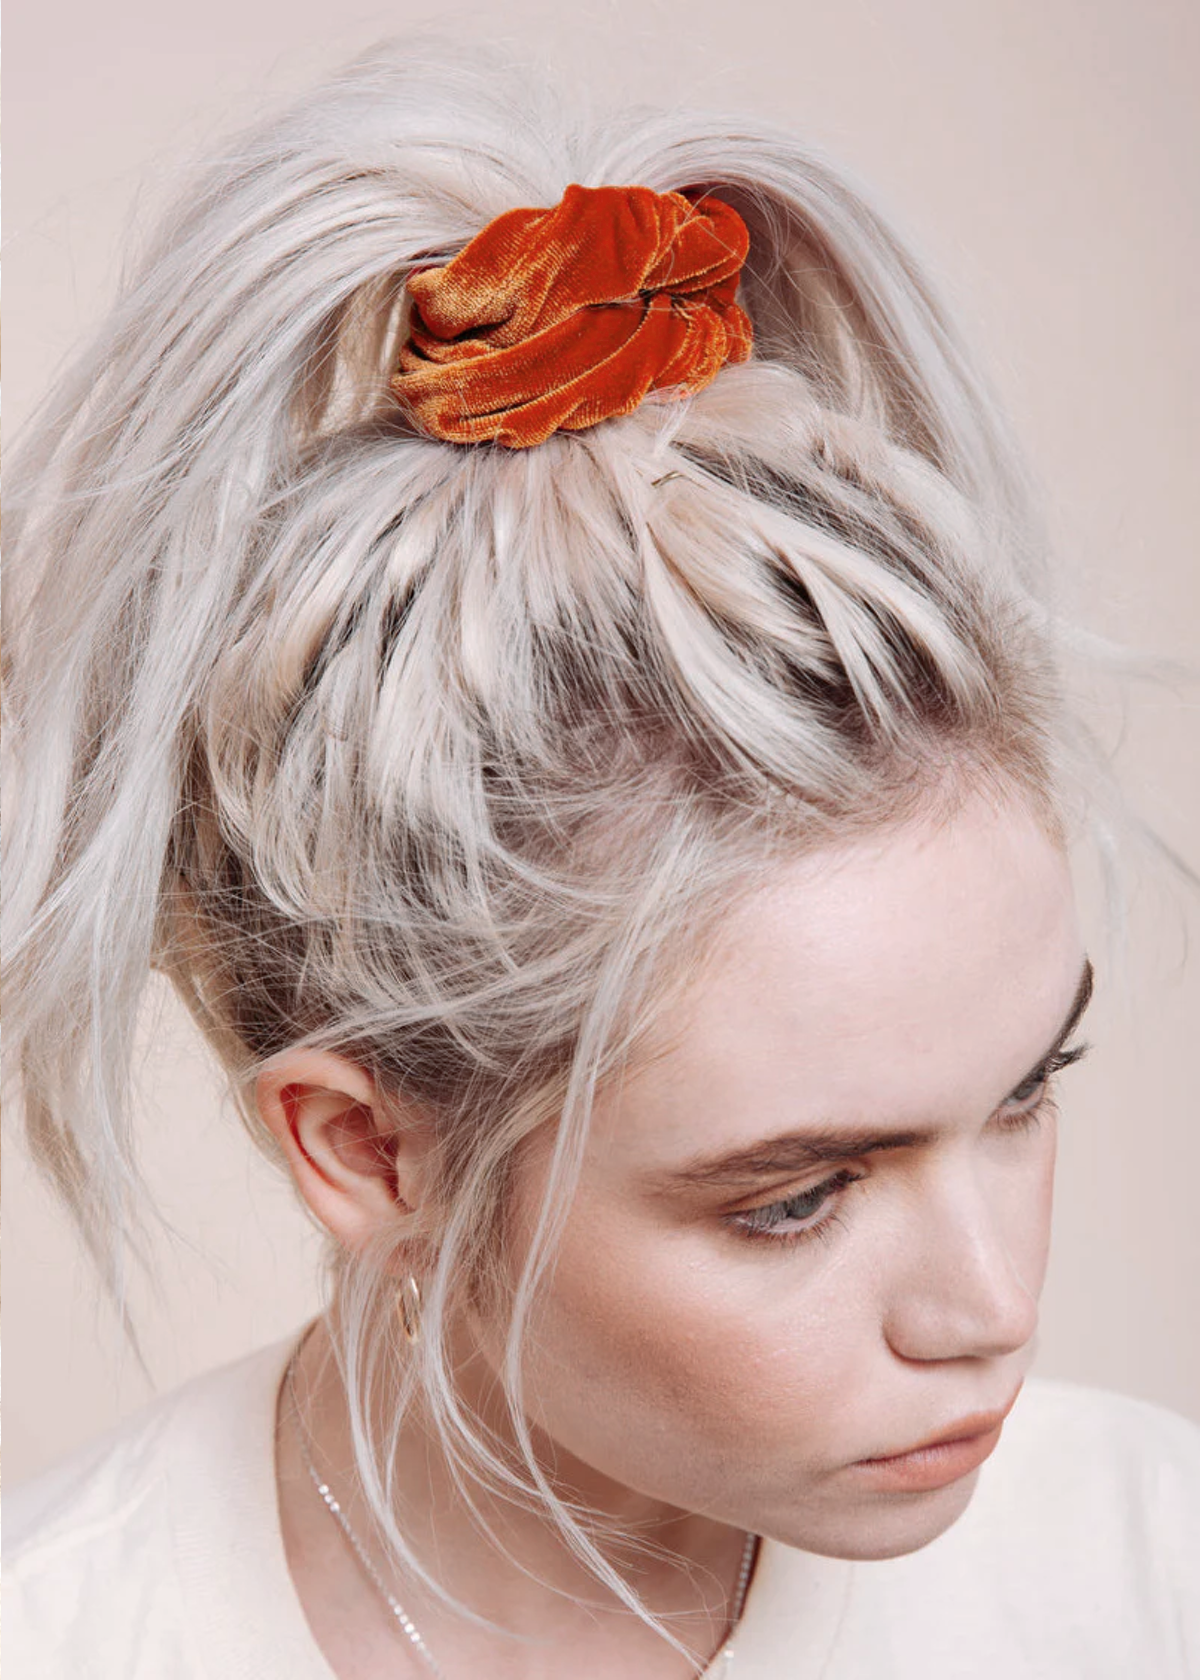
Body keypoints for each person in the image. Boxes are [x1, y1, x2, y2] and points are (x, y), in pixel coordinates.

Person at [4, 38, 1198, 1680]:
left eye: (1024, 1095)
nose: (985, 1309)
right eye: (797, 1198)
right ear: (369, 1153)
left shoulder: (1155, 1577)